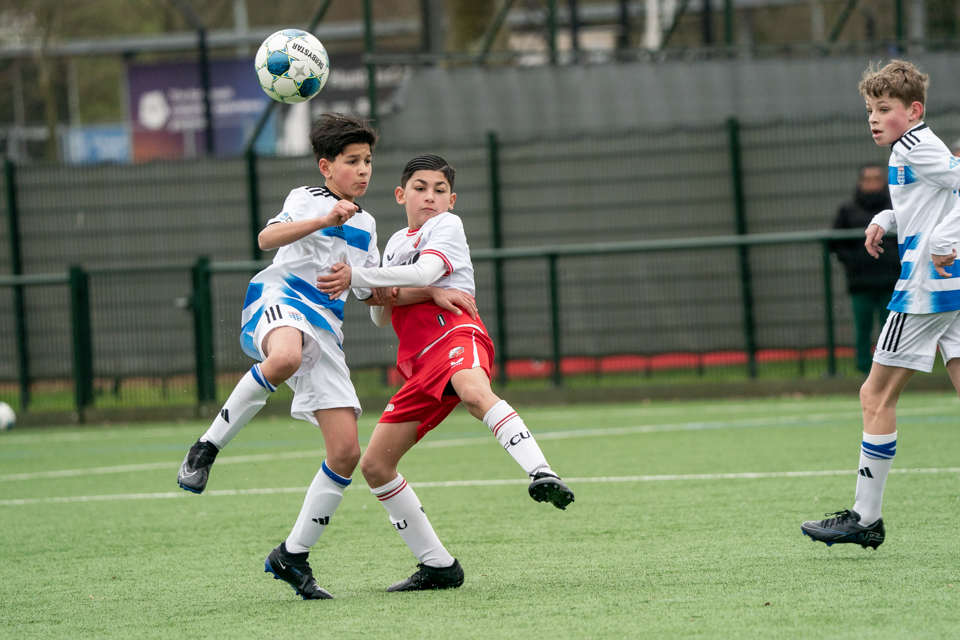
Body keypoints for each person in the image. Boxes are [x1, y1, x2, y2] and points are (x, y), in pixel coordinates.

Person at [318, 154, 575, 592]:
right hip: (418, 364)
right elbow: (381, 313)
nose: (430, 197)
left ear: (451, 200)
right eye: (420, 188)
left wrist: (367, 278)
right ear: (401, 194)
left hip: (454, 334)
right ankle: (438, 566)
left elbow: (424, 271)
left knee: (475, 393)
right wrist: (397, 290)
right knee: (377, 466)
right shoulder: (396, 240)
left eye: (440, 190)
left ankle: (541, 472)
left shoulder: (447, 227)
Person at [176, 113, 384, 600]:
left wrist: (388, 286)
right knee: (285, 356)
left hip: (326, 329)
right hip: (281, 298)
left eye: (368, 161)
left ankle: (292, 555)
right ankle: (206, 447)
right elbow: (266, 240)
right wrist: (324, 219)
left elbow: (369, 293)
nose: (363, 170)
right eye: (352, 161)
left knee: (347, 453)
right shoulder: (305, 198)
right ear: (325, 167)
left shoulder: (369, 225)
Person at [801, 60, 960, 549]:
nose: (873, 117)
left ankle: (865, 517)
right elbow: (934, 196)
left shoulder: (914, 143)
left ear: (913, 111)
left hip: (924, 289)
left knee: (875, 396)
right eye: (870, 108)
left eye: (884, 108)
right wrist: (888, 218)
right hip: (949, 284)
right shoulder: (908, 148)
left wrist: (945, 240)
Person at [831, 164, 900, 373]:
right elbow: (835, 242)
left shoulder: (896, 207)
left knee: (891, 327)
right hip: (861, 281)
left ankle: (891, 368)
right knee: (863, 326)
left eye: (877, 178)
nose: (872, 183)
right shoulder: (847, 210)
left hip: (892, 279)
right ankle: (863, 368)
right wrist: (853, 262)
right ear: (860, 183)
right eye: (867, 179)